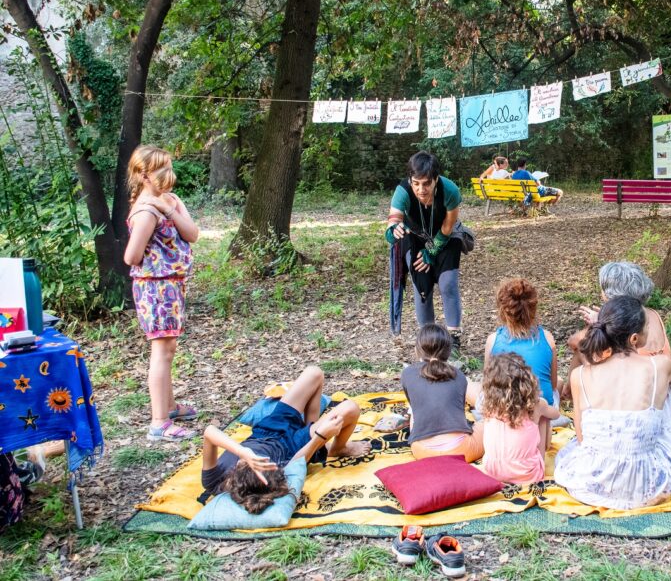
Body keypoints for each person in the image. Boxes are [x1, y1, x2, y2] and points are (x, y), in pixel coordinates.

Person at [554, 297, 671, 510]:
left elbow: (582, 438)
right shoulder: (659, 366)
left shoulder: (580, 375)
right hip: (649, 485)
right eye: (647, 327)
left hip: (590, 483)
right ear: (634, 339)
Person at [561, 261, 671, 466]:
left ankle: (569, 397)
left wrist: (600, 326)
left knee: (581, 351)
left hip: (636, 393)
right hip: (662, 388)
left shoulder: (629, 327)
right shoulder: (650, 315)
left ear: (613, 295)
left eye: (604, 290)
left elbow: (577, 342)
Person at [200, 366, 369, 513]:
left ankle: (311, 426)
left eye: (245, 463)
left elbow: (209, 432)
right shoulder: (273, 479)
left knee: (314, 373)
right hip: (294, 446)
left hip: (266, 430)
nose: (246, 460)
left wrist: (243, 451)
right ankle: (337, 448)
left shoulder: (216, 481)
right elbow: (299, 461)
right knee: (350, 408)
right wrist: (321, 436)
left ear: (233, 474)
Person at [124, 145, 201, 442]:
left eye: (169, 165)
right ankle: (159, 422)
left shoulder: (169, 200)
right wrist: (156, 211)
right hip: (155, 288)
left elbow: (192, 234)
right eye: (160, 168)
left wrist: (168, 207)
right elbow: (131, 257)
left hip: (172, 284)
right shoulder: (144, 211)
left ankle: (169, 407)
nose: (168, 173)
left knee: (169, 349)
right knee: (161, 351)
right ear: (143, 176)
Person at [386, 151, 465, 348]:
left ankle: (453, 339)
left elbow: (448, 226)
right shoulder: (402, 191)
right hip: (414, 237)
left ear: (435, 179)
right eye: (416, 183)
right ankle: (429, 340)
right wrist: (393, 230)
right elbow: (393, 220)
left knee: (447, 283)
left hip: (446, 236)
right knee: (422, 285)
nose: (421, 189)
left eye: (426, 183)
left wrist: (432, 250)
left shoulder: (450, 190)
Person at [474, 278, 560, 449]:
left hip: (503, 420)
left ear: (503, 311)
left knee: (473, 386)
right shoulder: (548, 339)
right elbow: (554, 384)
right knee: (556, 386)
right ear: (533, 309)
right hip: (538, 425)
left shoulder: (493, 341)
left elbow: (488, 384)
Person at [401, 324, 484, 462]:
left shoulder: (407, 373)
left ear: (417, 351)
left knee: (414, 411)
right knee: (490, 423)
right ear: (449, 351)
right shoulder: (458, 375)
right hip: (461, 452)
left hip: (421, 452)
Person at [479, 354, 560, 484]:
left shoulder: (490, 405)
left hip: (492, 471)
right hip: (529, 475)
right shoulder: (536, 404)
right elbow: (556, 415)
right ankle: (541, 458)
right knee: (544, 417)